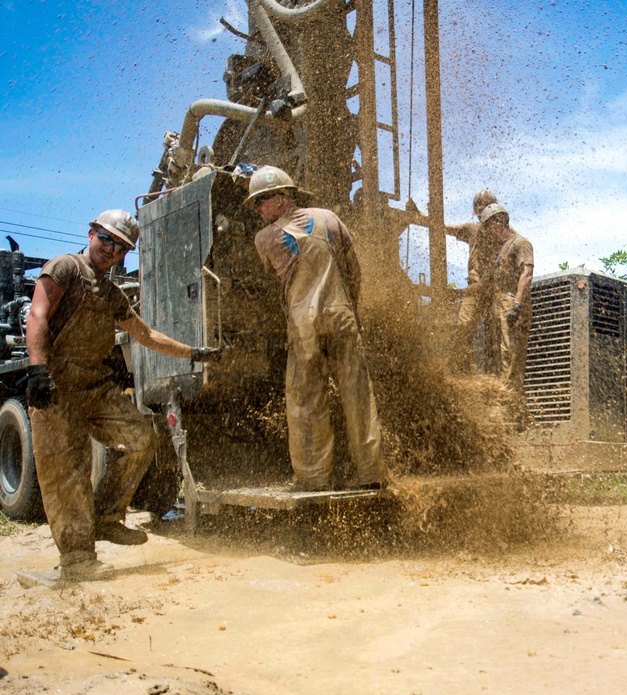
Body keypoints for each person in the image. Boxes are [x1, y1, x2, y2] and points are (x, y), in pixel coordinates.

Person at [26, 209, 222, 582]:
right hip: (56, 388)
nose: (112, 250)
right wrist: (38, 371)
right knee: (68, 475)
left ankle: (107, 515)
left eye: (121, 248)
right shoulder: (65, 267)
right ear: (91, 233)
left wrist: (193, 353)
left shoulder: (113, 294)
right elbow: (37, 313)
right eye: (107, 240)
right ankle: (78, 558)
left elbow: (145, 335)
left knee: (141, 438)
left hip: (94, 387)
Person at [245, 165, 386, 493]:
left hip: (304, 326)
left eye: (261, 202)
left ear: (281, 198)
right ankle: (371, 473)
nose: (257, 210)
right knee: (358, 396)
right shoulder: (330, 218)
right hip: (342, 318)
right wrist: (352, 310)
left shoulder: (264, 239)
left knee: (305, 400)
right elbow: (354, 270)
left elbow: (277, 277)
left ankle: (313, 478)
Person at [481, 203, 533, 397]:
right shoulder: (501, 250)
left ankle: (510, 403)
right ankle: (510, 402)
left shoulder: (521, 243)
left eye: (488, 226)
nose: (487, 231)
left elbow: (526, 274)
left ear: (498, 222)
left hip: (512, 305)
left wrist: (517, 305)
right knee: (500, 355)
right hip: (500, 305)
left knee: (510, 354)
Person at [448, 189, 500, 372]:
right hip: (476, 288)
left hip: (494, 289)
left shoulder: (504, 233)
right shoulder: (473, 230)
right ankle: (463, 368)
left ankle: (494, 373)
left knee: (495, 331)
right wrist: (420, 215)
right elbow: (447, 227)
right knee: (464, 327)